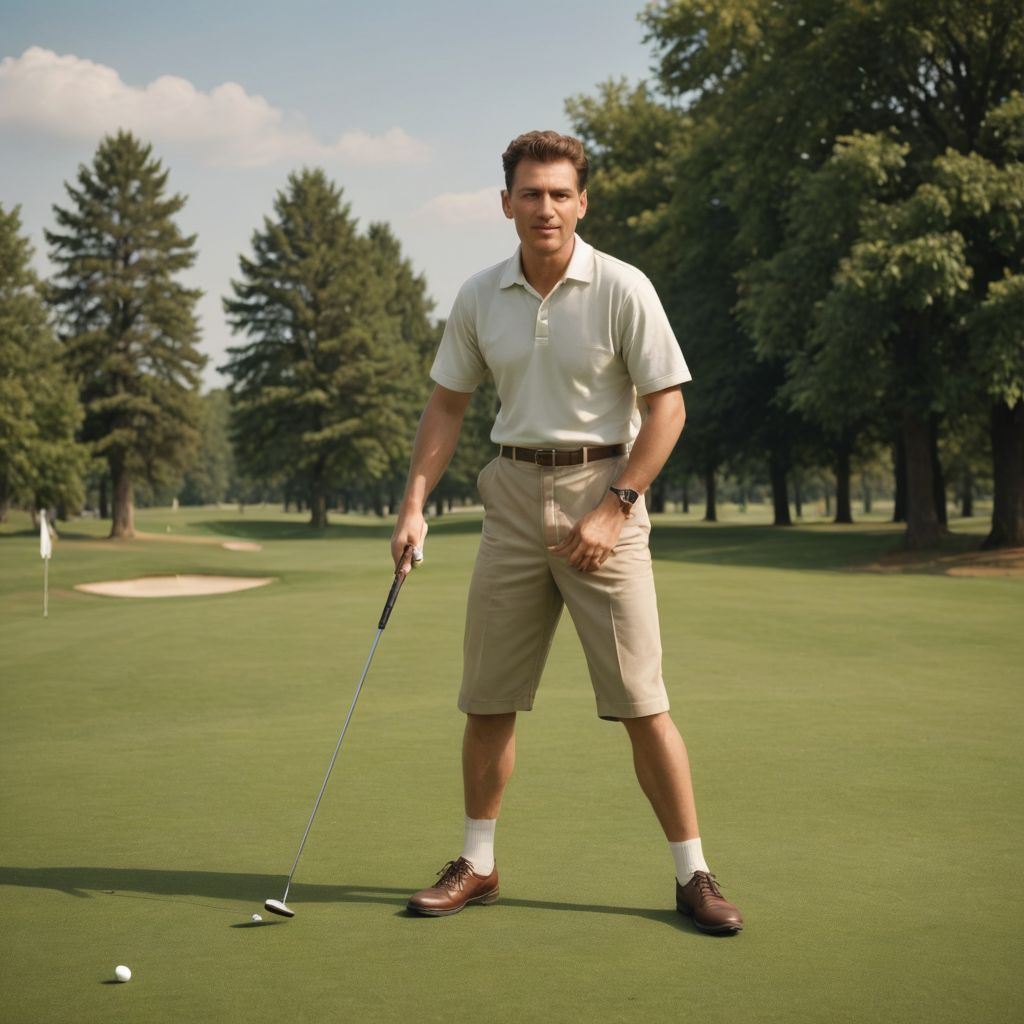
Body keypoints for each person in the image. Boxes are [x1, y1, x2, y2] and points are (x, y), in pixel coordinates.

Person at [390, 130, 743, 934]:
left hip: (604, 492)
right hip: (511, 499)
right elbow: (446, 405)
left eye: (558, 194)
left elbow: (668, 408)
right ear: (505, 203)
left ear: (582, 202)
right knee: (488, 698)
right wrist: (413, 504)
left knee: (642, 703)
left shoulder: (623, 287)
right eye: (529, 193)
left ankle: (693, 875)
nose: (544, 207)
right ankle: (478, 864)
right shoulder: (479, 295)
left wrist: (615, 507)